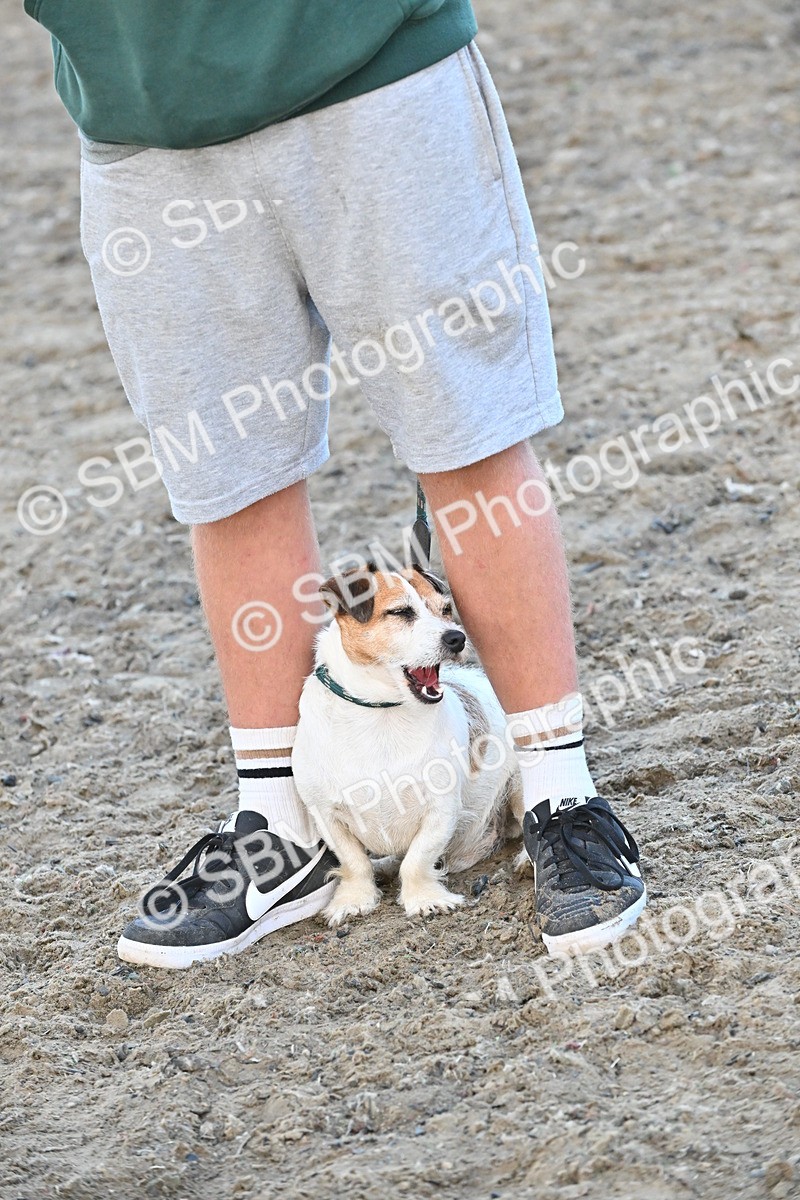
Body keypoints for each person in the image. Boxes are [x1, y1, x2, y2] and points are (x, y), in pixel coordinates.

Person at [25, 0, 645, 969]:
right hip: (143, 118)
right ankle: (279, 825)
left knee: (467, 434)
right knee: (226, 478)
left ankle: (559, 790)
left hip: (372, 74)